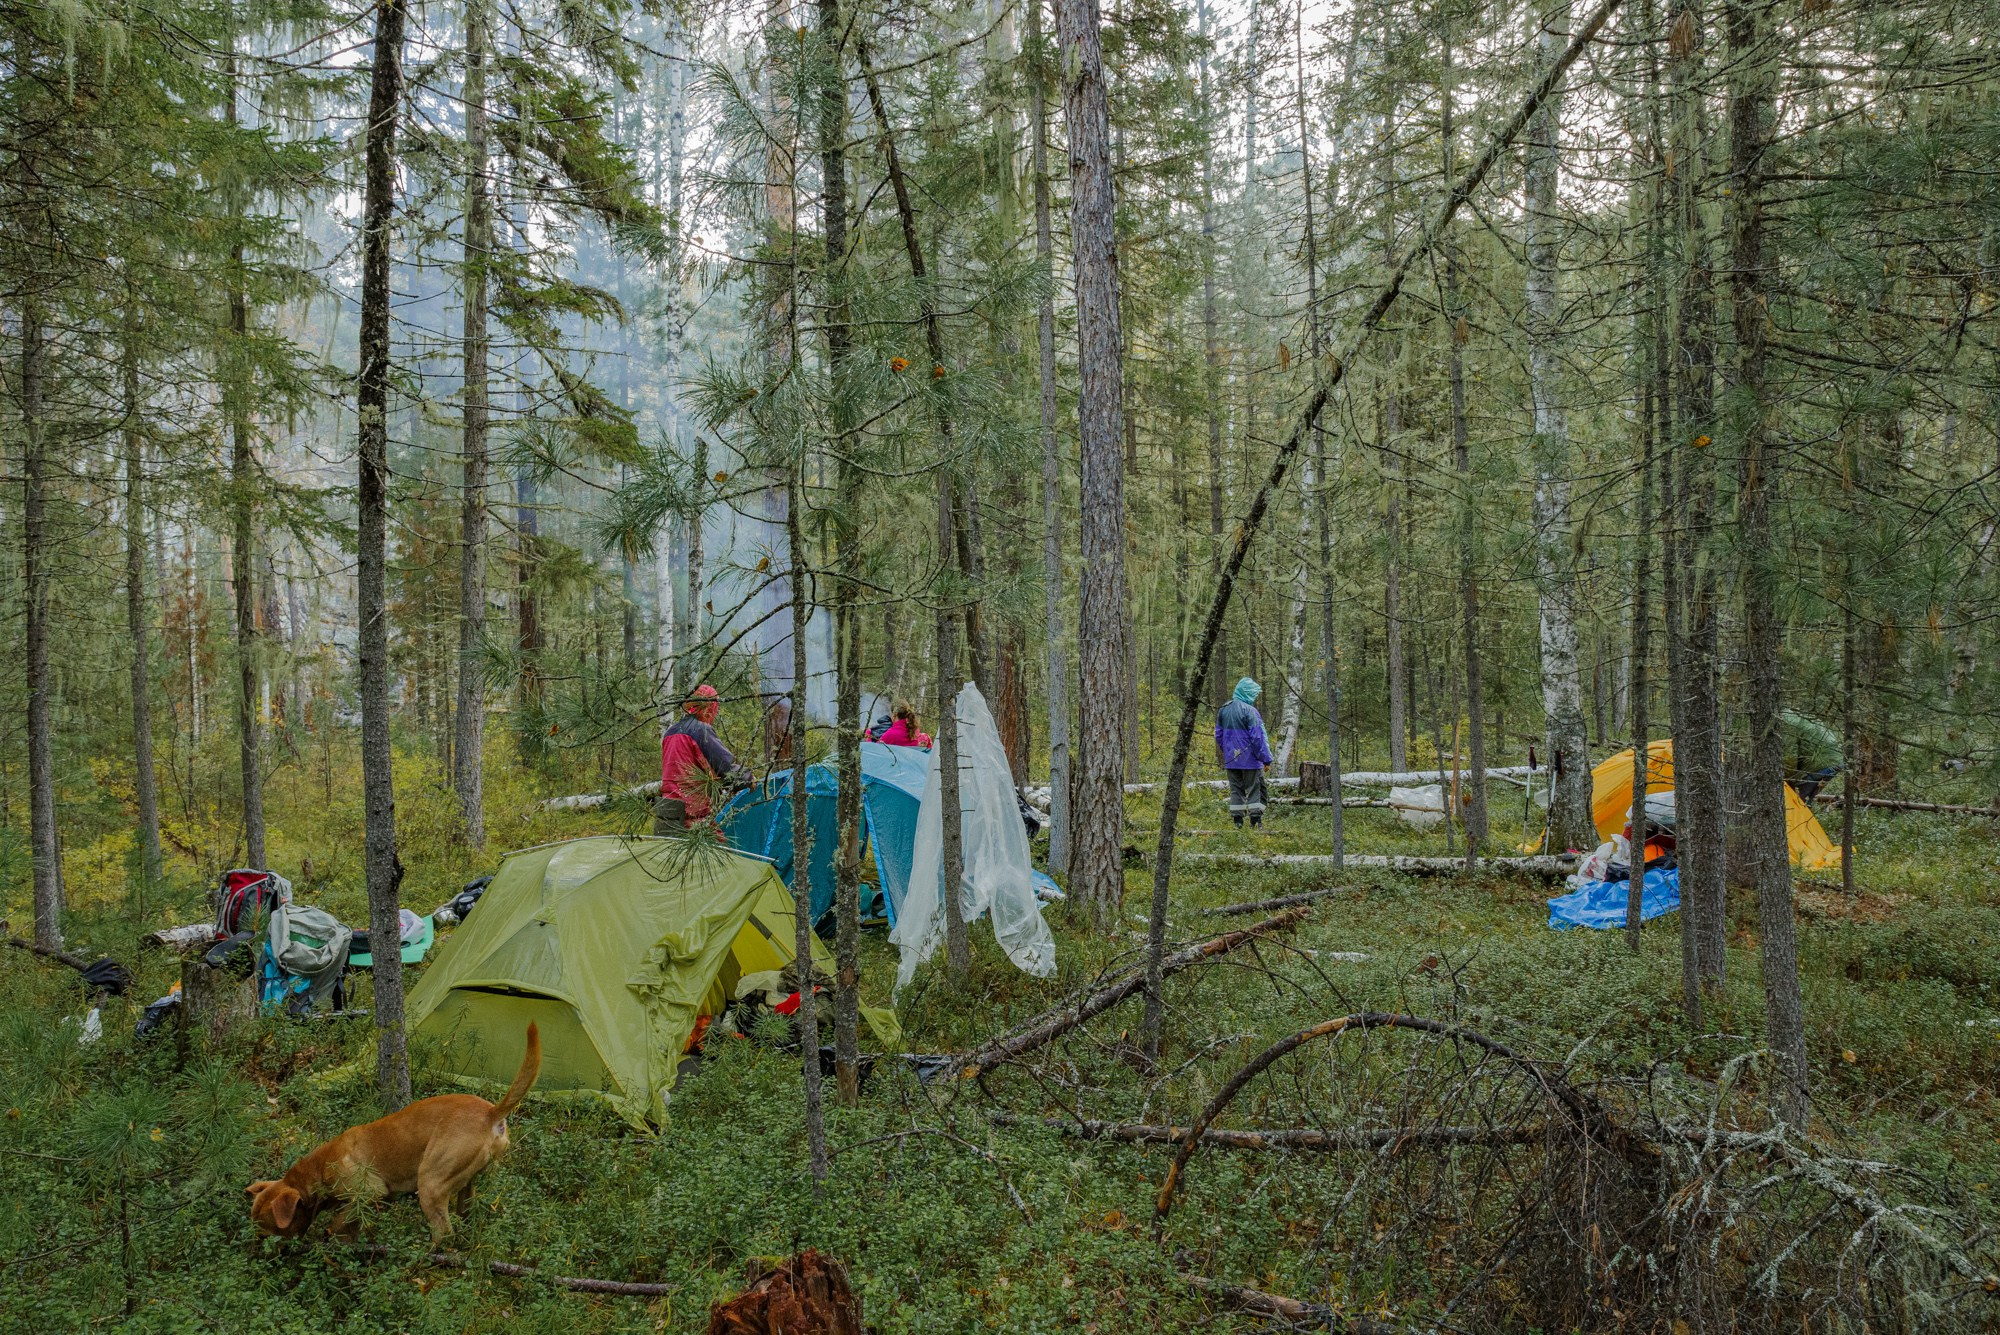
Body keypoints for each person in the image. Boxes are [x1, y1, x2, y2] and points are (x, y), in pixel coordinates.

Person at [657, 685, 750, 833]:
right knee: (723, 852)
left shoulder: (670, 732)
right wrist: (748, 778)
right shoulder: (700, 730)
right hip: (693, 816)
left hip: (666, 814)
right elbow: (726, 769)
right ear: (709, 707)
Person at [1214, 677, 1273, 829]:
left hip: (1231, 760)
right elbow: (1257, 737)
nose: (1254, 697)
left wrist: (1228, 752)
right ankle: (1256, 822)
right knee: (1255, 788)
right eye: (1253, 694)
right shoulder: (1250, 711)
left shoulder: (1224, 709)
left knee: (1236, 790)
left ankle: (1238, 823)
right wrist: (1266, 759)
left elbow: (1218, 735)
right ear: (1248, 693)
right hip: (1250, 760)